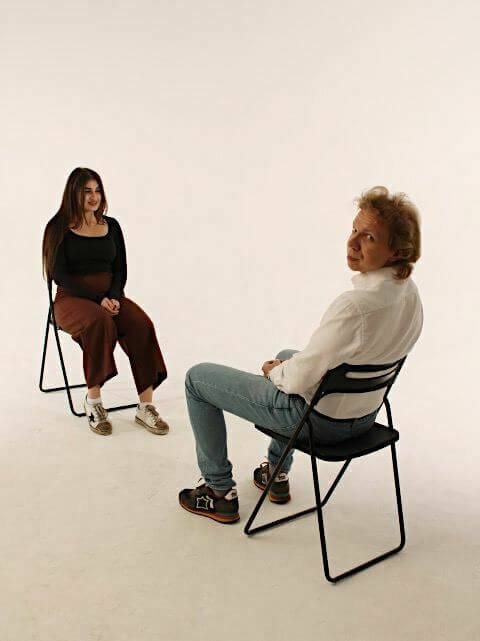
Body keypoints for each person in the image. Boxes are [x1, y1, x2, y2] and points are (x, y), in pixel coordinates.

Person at [179, 186, 423, 524]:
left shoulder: (355, 307)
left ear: (397, 251)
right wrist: (287, 365)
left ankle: (218, 492)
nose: (352, 242)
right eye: (354, 229)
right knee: (288, 355)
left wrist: (274, 371)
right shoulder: (409, 295)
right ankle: (275, 474)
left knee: (197, 379)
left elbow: (296, 381)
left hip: (318, 424)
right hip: (364, 416)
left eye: (369, 237)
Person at [42, 167, 168, 436]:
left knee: (141, 324)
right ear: (73, 193)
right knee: (99, 322)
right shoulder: (58, 228)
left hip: (109, 297)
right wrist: (99, 300)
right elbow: (60, 275)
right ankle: (94, 402)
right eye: (86, 191)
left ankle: (145, 406)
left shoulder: (112, 226)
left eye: (97, 190)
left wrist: (112, 295)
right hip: (71, 299)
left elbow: (120, 269)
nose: (94, 196)